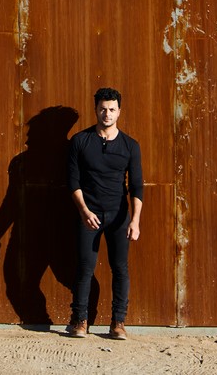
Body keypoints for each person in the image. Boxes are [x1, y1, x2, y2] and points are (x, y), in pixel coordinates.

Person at [65, 87, 143, 340]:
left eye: (111, 109)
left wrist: (135, 221)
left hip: (119, 216)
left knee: (120, 268)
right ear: (96, 110)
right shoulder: (80, 141)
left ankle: (118, 322)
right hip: (89, 215)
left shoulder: (130, 145)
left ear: (119, 111)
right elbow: (73, 182)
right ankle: (80, 320)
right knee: (85, 268)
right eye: (102, 109)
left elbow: (137, 186)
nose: (107, 114)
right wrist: (84, 211)